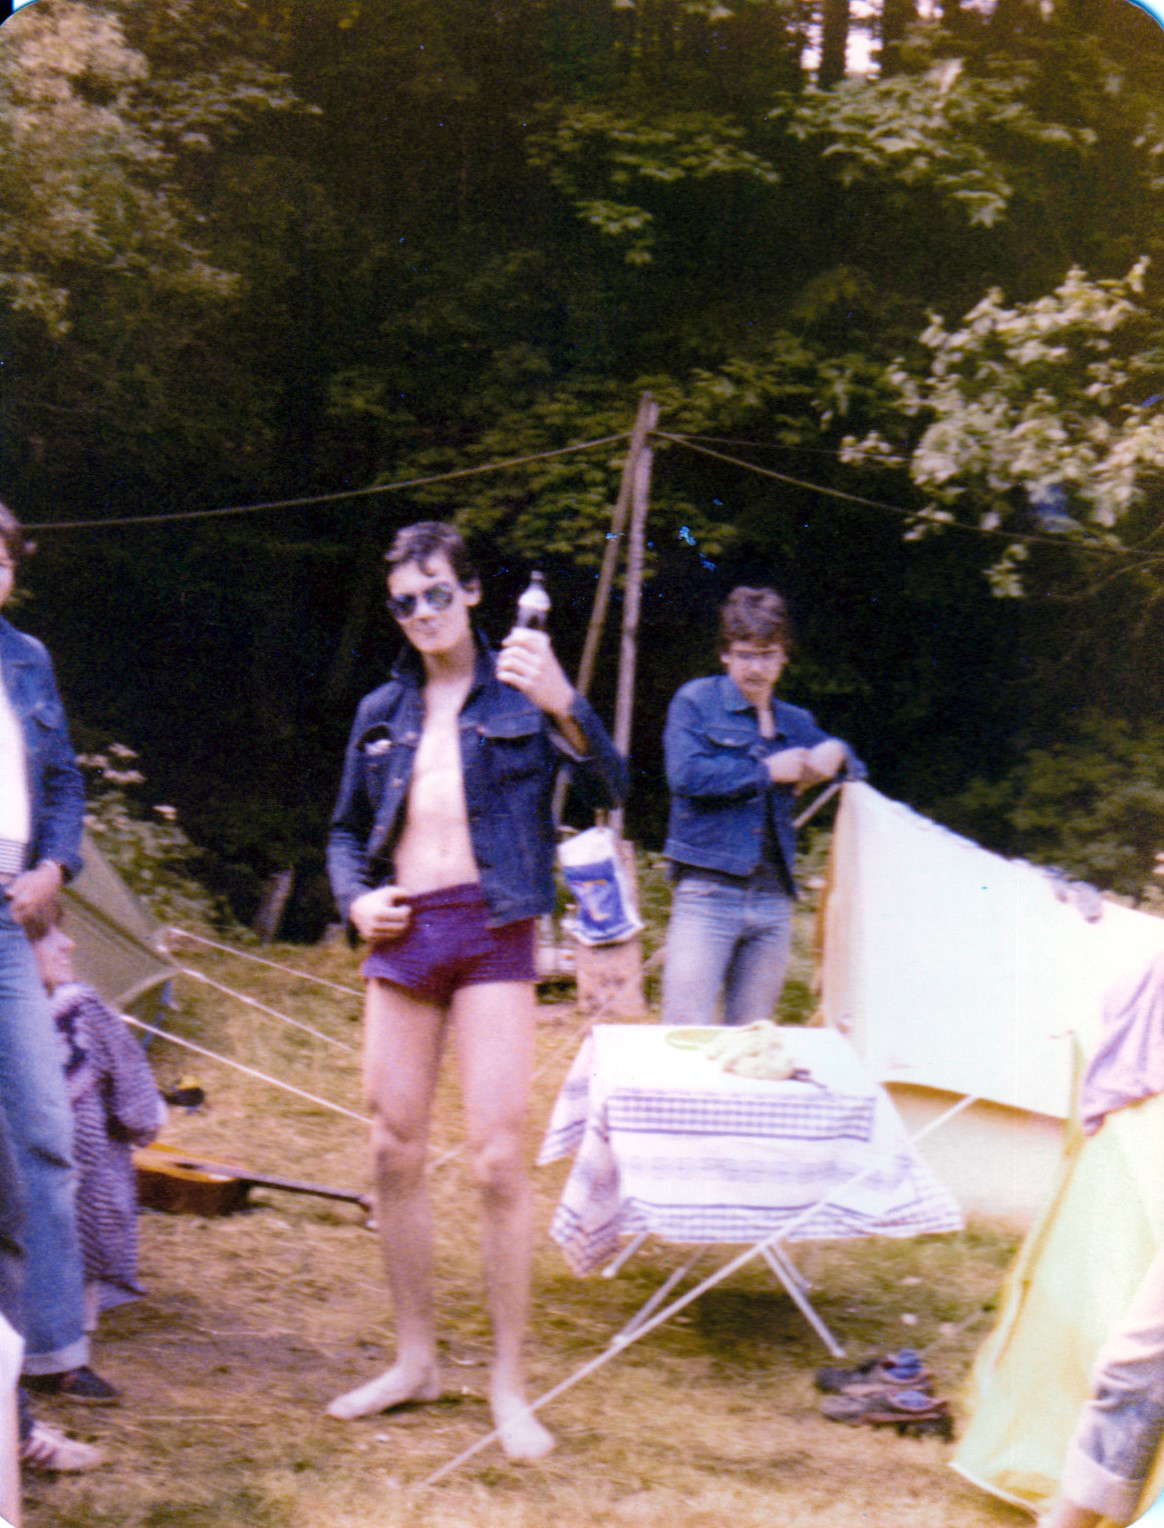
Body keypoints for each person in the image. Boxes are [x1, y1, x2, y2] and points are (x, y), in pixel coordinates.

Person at [327, 520, 627, 1459]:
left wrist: (565, 700)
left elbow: (615, 784)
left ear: (470, 592)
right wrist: (355, 899)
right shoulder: (383, 709)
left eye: (435, 593)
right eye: (404, 602)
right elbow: (344, 833)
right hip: (404, 936)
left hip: (495, 928)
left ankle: (506, 1383)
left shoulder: (522, 688)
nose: (422, 613)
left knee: (499, 1160)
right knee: (392, 1149)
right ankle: (415, 1361)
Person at [0, 500, 116, 1404]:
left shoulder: (28, 659)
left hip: (11, 915)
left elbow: (67, 783)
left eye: (0, 559)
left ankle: (53, 1350)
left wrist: (54, 868)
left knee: (45, 1127)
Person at [660, 585, 863, 1027]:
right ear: (725, 655)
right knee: (684, 1033)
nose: (756, 667)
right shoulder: (695, 701)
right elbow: (686, 777)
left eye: (767, 655)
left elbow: (854, 774)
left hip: (774, 901)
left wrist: (838, 752)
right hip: (708, 893)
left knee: (753, 1041)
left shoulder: (796, 721)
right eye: (745, 655)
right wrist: (768, 771)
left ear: (783, 656)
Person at [31, 916, 163, 1329]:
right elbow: (139, 1111)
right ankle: (67, 1340)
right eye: (48, 934)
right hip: (80, 1219)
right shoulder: (78, 1009)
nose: (69, 944)